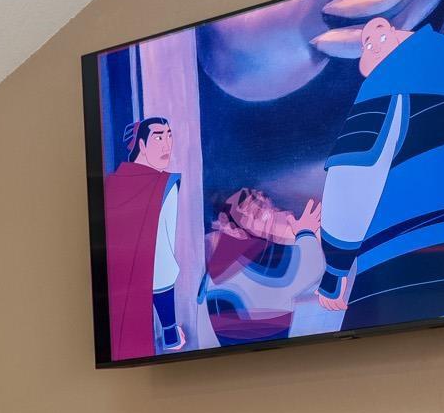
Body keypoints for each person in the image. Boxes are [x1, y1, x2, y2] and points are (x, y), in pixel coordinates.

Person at [288, 16, 444, 337]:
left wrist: (335, 268)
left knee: (378, 373)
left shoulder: (391, 78)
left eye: (369, 43)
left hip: (415, 256)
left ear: (386, 33)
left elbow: (354, 178)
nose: (367, 53)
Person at [100, 116, 182, 358]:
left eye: (169, 135)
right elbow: (163, 256)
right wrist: (170, 328)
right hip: (144, 290)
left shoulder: (109, 185)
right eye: (158, 137)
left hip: (115, 291)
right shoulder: (165, 185)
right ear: (142, 145)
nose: (167, 145)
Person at [199, 187, 324, 344]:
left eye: (267, 206)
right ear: (227, 225)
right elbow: (313, 267)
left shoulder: (221, 258)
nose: (270, 213)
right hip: (267, 351)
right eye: (258, 213)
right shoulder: (253, 257)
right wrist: (305, 232)